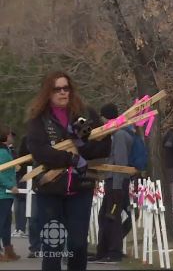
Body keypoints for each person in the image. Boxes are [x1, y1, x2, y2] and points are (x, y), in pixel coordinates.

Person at [26, 71, 111, 271]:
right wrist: (71, 158)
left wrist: (81, 143)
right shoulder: (39, 119)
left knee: (78, 244)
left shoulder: (85, 114)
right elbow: (39, 151)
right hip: (51, 189)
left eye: (66, 88)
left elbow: (104, 146)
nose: (63, 93)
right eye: (57, 89)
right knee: (53, 246)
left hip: (80, 188)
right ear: (48, 92)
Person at [90, 103, 132, 263]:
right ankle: (103, 250)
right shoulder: (116, 133)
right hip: (112, 180)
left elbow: (120, 162)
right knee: (104, 216)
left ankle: (114, 252)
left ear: (105, 117)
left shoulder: (120, 134)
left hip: (117, 182)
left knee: (112, 217)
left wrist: (116, 185)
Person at [0, 124, 19, 262]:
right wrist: (10, 185)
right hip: (2, 193)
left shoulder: (6, 150)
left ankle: (8, 249)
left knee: (6, 223)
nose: (12, 136)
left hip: (6, 194)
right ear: (5, 136)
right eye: (10, 134)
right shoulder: (1, 152)